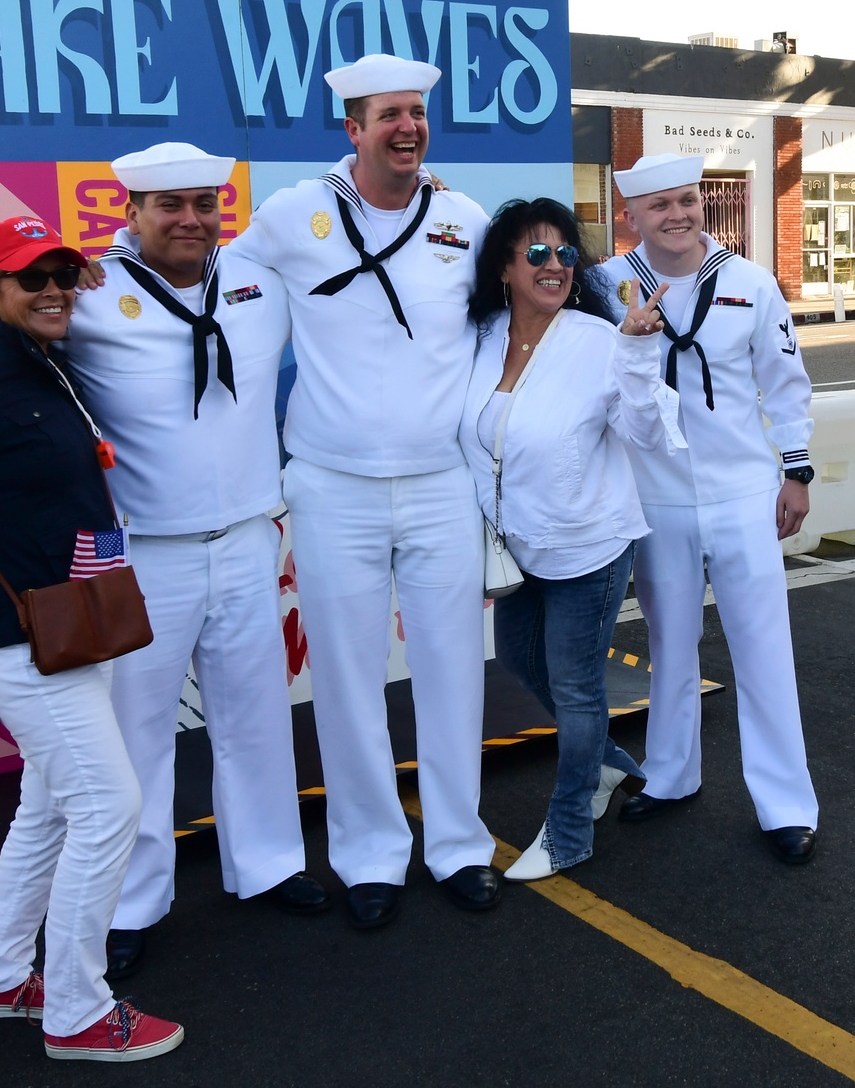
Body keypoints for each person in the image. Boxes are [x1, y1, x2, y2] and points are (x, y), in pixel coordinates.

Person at [0, 143, 329, 980]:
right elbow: (0, 329)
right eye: (168, 205)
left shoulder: (261, 280)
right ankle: (135, 901)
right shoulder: (92, 293)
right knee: (138, 737)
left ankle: (270, 863)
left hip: (252, 537)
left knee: (255, 716)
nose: (190, 219)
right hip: (142, 554)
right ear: (132, 212)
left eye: (204, 204)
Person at [0, 217, 183, 1061]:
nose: (53, 287)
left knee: (50, 805)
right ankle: (79, 1012)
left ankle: (0, 975)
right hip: (19, 641)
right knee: (108, 806)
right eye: (30, 277)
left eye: (62, 270)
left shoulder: (42, 358)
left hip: (69, 632)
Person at [230, 54, 499, 927]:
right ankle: (370, 854)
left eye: (418, 112)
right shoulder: (290, 214)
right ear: (352, 128)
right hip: (330, 486)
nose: (408, 127)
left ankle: (459, 842)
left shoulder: (464, 215)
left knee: (455, 669)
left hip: (440, 484)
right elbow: (188, 279)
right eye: (388, 114)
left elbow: (539, 296)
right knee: (346, 678)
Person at [598, 153, 819, 863]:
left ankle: (786, 804)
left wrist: (796, 472)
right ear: (631, 215)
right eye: (659, 205)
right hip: (656, 496)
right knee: (669, 644)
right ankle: (669, 775)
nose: (679, 214)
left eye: (688, 200)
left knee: (763, 650)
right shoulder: (606, 286)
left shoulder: (750, 282)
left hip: (742, 493)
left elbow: (785, 385)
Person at [459, 197, 683, 879]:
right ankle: (609, 765)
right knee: (525, 662)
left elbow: (648, 431)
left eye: (564, 253)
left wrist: (641, 350)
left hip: (592, 545)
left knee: (579, 688)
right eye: (536, 254)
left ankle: (568, 832)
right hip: (520, 546)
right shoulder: (485, 333)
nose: (554, 265)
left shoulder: (599, 338)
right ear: (504, 267)